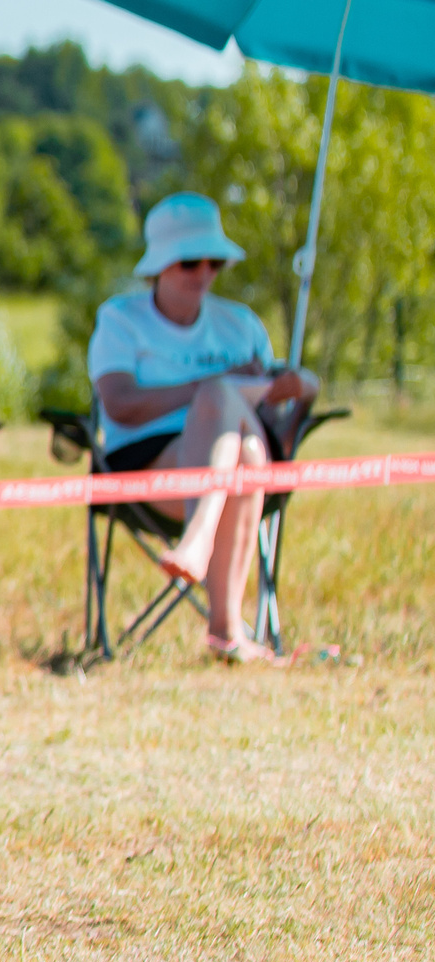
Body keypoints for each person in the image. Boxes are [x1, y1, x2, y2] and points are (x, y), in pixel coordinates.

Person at [88, 192, 318, 661]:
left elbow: (277, 420)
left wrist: (298, 388)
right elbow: (120, 405)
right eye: (190, 262)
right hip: (146, 469)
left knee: (244, 442)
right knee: (218, 399)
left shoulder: (241, 324)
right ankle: (226, 623)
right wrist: (206, 387)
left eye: (216, 262)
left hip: (248, 469)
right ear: (159, 265)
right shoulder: (120, 319)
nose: (205, 274)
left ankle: (210, 576)